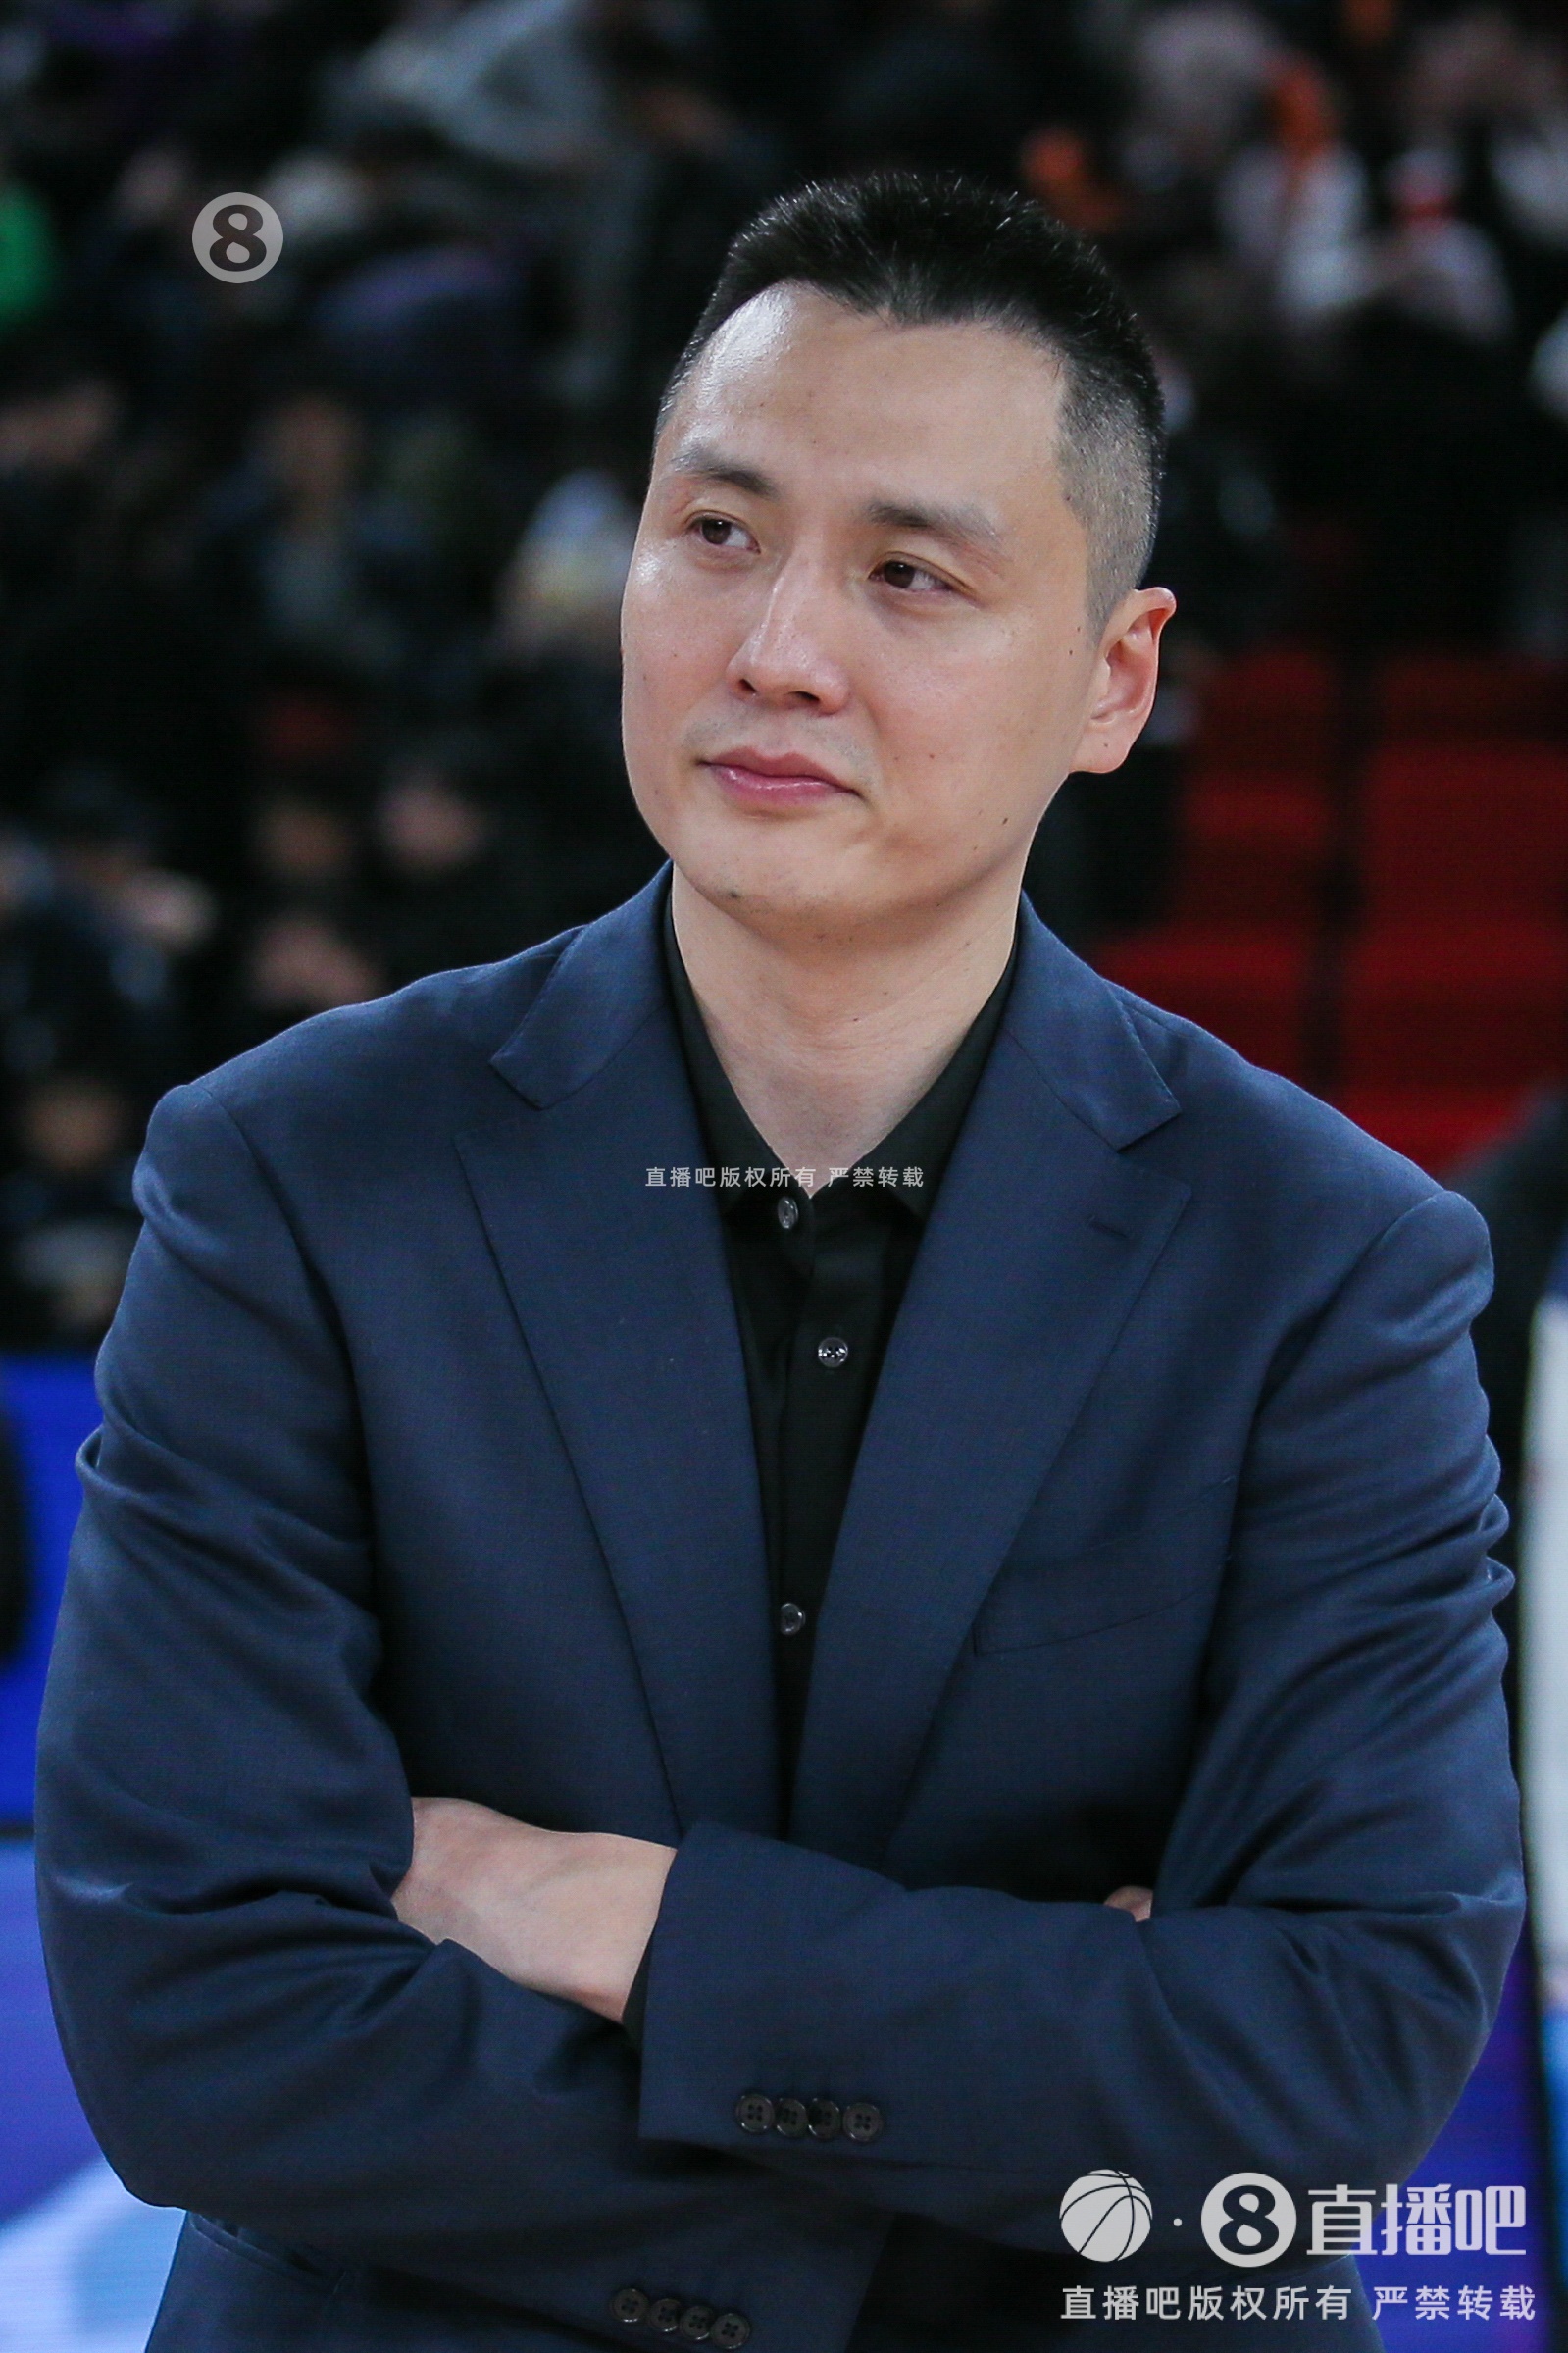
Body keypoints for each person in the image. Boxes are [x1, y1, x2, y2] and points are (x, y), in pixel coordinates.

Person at [34, 173, 1520, 2353]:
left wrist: (618, 1922)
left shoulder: (1326, 1267)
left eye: (909, 572)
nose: (775, 650)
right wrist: (1005, 2148)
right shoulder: (297, 1176)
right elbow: (201, 2017)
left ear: (1115, 677)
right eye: (716, 532)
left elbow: (1329, 2065)